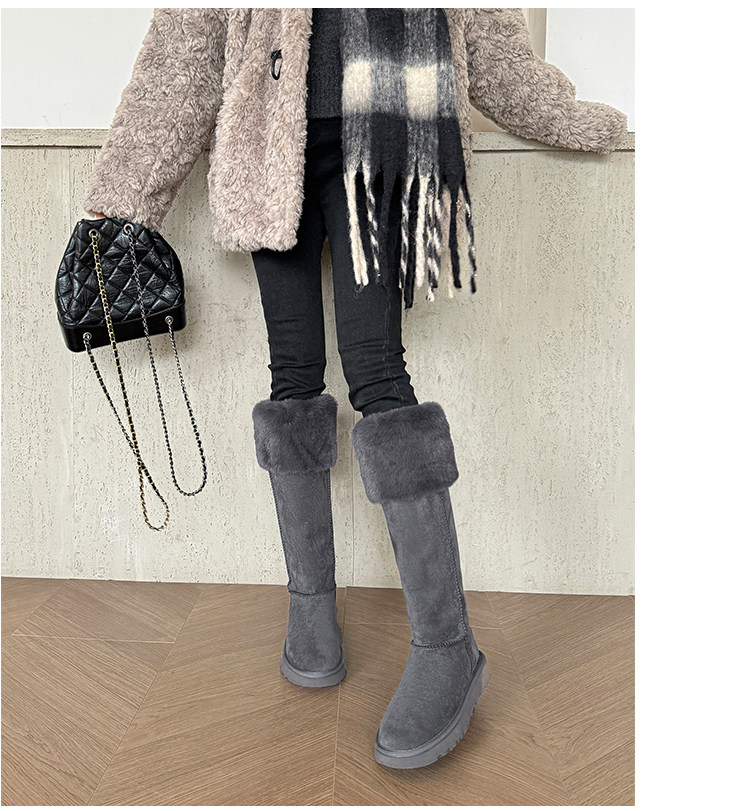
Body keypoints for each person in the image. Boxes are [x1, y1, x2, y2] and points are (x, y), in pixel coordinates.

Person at [84, 8, 627, 770]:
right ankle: (311, 610)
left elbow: (482, 32)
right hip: (267, 142)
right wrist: (123, 198)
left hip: (381, 140)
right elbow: (188, 41)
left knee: (377, 371)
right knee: (291, 373)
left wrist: (571, 117)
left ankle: (447, 642)